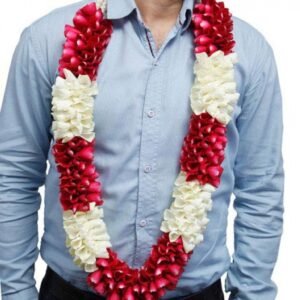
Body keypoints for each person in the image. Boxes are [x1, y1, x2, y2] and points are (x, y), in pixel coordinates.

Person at [0, 0, 285, 299]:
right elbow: (15, 175)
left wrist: (252, 294)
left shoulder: (248, 51)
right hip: (70, 292)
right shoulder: (48, 39)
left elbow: (260, 186)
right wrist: (17, 291)